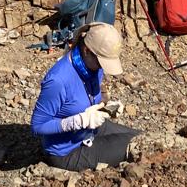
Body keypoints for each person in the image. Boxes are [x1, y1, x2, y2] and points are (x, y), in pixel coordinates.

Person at [31, 22, 140, 171]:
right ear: (87, 50)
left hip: (89, 130)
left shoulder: (93, 67)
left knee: (141, 139)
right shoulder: (58, 80)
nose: (102, 67)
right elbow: (37, 126)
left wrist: (106, 109)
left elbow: (89, 97)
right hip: (67, 151)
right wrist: (77, 121)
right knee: (135, 148)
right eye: (101, 62)